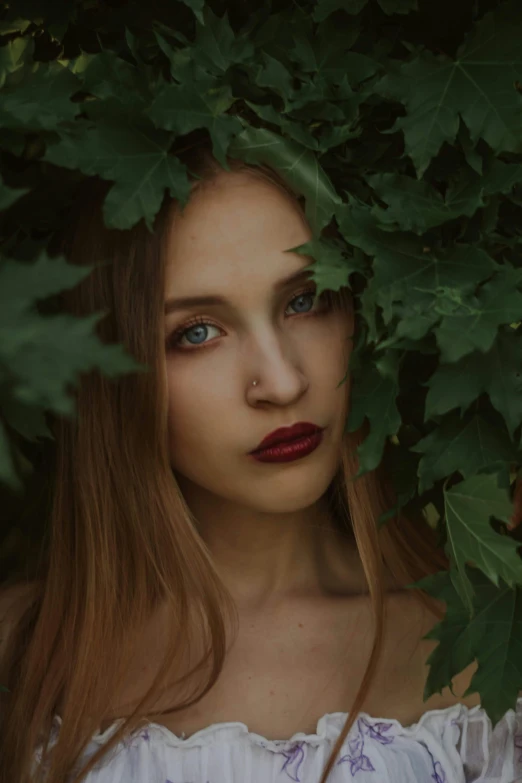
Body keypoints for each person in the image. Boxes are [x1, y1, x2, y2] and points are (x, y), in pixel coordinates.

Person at [0, 138, 521, 783]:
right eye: (196, 332)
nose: (281, 382)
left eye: (305, 300)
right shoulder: (22, 657)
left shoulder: (488, 644)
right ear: (113, 371)